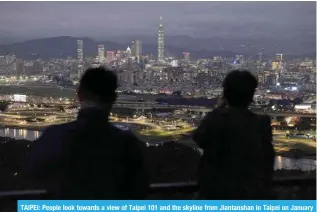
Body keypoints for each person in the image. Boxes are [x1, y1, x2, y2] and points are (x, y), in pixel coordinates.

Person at [24, 67, 149, 199]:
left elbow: (31, 174)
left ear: (79, 95)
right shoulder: (128, 144)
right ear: (113, 98)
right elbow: (140, 189)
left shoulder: (56, 137)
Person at [193, 70, 275, 200]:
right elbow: (268, 159)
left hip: (216, 192)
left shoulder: (217, 119)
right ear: (251, 95)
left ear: (226, 93)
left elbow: (198, 138)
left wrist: (218, 108)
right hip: (251, 194)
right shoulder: (261, 124)